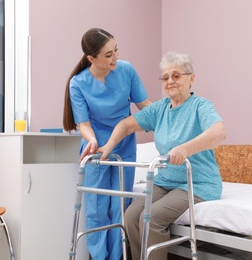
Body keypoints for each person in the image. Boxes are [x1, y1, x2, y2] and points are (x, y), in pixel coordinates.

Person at [83, 51, 227, 260]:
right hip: (166, 181)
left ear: (191, 78)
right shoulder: (159, 109)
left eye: (176, 76)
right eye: (165, 77)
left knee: (153, 217)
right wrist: (108, 146)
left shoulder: (200, 106)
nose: (170, 81)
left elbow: (219, 132)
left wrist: (185, 149)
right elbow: (126, 125)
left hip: (197, 183)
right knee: (132, 215)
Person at [63, 28, 151, 260]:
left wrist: (168, 117)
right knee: (96, 209)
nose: (115, 58)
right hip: (96, 149)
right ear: (92, 59)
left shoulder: (126, 70)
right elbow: (83, 123)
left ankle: (118, 256)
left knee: (120, 206)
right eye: (108, 55)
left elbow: (144, 105)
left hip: (124, 145)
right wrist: (91, 141)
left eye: (116, 50)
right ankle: (99, 257)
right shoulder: (78, 83)